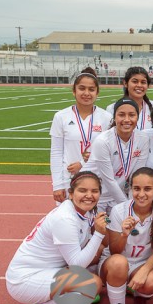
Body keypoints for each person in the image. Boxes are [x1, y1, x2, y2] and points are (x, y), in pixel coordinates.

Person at [6, 171, 107, 304]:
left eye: (94, 191)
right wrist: (99, 233)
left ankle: (65, 300)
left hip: (44, 270)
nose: (89, 195)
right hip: (24, 280)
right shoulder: (65, 219)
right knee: (91, 284)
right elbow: (77, 264)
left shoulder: (82, 211)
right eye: (83, 190)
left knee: (98, 253)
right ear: (71, 193)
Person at [100, 167, 153, 304]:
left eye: (148, 189)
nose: (141, 194)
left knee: (151, 281)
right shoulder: (119, 211)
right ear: (130, 188)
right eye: (136, 188)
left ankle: (138, 296)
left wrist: (144, 271)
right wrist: (124, 234)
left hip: (141, 262)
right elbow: (114, 250)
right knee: (119, 263)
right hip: (115, 261)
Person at [50, 68, 112, 203]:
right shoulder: (61, 116)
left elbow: (108, 152)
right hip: (69, 181)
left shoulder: (107, 118)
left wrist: (83, 163)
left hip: (97, 181)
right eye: (82, 88)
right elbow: (56, 152)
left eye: (91, 89)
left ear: (97, 92)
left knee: (96, 222)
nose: (86, 93)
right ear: (74, 91)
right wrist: (57, 184)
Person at [82, 98, 150, 213]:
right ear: (114, 117)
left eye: (132, 115)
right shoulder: (103, 141)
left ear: (137, 118)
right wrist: (128, 207)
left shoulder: (143, 139)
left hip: (119, 195)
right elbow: (109, 180)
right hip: (96, 196)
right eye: (121, 115)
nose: (127, 119)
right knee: (95, 230)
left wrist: (131, 202)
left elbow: (136, 176)